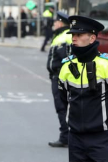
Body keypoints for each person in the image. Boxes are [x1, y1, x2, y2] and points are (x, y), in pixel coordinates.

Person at [58, 15, 108, 162]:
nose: (74, 38)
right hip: (76, 139)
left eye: (79, 35)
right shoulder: (66, 66)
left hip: (103, 139)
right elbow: (63, 100)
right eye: (73, 35)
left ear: (92, 38)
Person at [47, 12, 72, 148]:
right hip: (58, 77)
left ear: (61, 23)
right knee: (63, 107)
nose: (53, 24)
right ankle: (67, 136)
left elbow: (66, 59)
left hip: (60, 78)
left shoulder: (65, 36)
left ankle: (65, 137)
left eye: (55, 22)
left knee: (62, 107)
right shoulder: (61, 35)